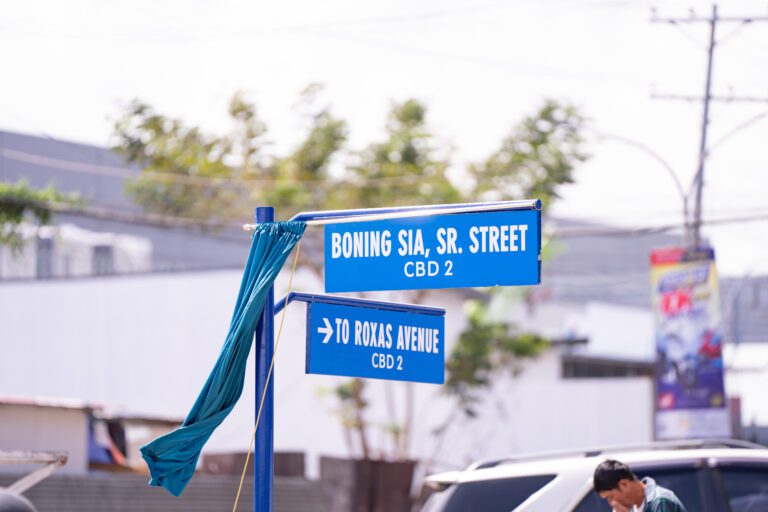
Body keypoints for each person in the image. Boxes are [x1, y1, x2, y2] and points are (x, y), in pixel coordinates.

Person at [593, 459, 687, 512]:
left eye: (611, 497)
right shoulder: (634, 508)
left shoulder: (660, 501)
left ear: (623, 484)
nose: (612, 503)